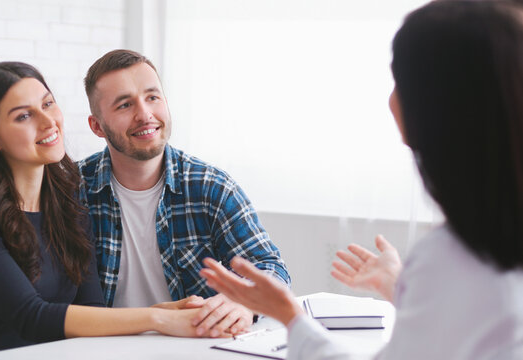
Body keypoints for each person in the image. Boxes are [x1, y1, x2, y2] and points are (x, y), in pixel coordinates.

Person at [200, 1, 523, 359]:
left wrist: (289, 316)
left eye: (398, 81)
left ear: (428, 110)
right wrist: (402, 285)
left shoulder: (451, 256)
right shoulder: (479, 251)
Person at [0, 50, 291, 338]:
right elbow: (4, 284)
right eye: (125, 105)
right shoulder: (78, 186)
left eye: (153, 97)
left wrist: (228, 304)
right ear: (97, 125)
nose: (145, 115)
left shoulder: (205, 187)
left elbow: (272, 267)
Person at [0, 62, 209, 359]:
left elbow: (89, 309)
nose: (48, 122)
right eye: (24, 116)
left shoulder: (69, 196)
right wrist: (156, 319)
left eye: (48, 104)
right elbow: (31, 317)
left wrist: (160, 311)